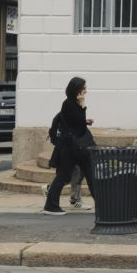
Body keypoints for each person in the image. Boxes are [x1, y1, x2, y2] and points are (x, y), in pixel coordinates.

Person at [42, 77, 94, 215]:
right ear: (77, 90)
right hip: (70, 148)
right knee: (62, 176)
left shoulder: (72, 103)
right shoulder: (69, 104)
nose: (86, 91)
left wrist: (84, 119)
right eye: (84, 89)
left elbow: (76, 123)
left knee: (89, 174)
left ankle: (102, 205)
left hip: (76, 148)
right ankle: (51, 206)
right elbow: (79, 128)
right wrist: (83, 106)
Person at [47, 112, 88, 209]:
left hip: (70, 148)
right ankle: (74, 200)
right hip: (67, 150)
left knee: (74, 173)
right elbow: (61, 129)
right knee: (69, 175)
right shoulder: (68, 110)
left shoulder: (71, 111)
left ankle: (74, 199)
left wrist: (84, 122)